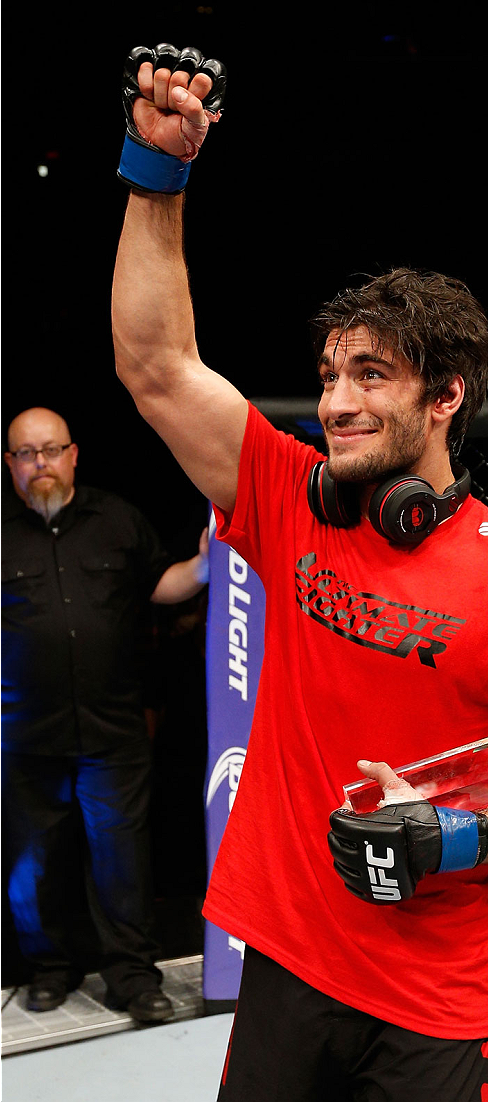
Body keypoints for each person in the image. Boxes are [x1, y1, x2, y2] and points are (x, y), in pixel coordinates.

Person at [111, 45, 488, 1100]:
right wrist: (158, 172)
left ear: (446, 398)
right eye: (330, 374)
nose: (336, 401)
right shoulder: (294, 503)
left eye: (370, 375)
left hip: (431, 1001)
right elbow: (155, 364)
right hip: (288, 969)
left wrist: (455, 833)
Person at [2, 406, 209, 1022]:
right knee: (33, 868)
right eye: (26, 452)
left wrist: (201, 564)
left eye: (51, 449)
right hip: (22, 737)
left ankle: (131, 977)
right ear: (10, 464)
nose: (41, 461)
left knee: (121, 862)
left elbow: (159, 585)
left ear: (73, 455)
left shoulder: (115, 519)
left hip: (111, 733)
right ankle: (49, 970)